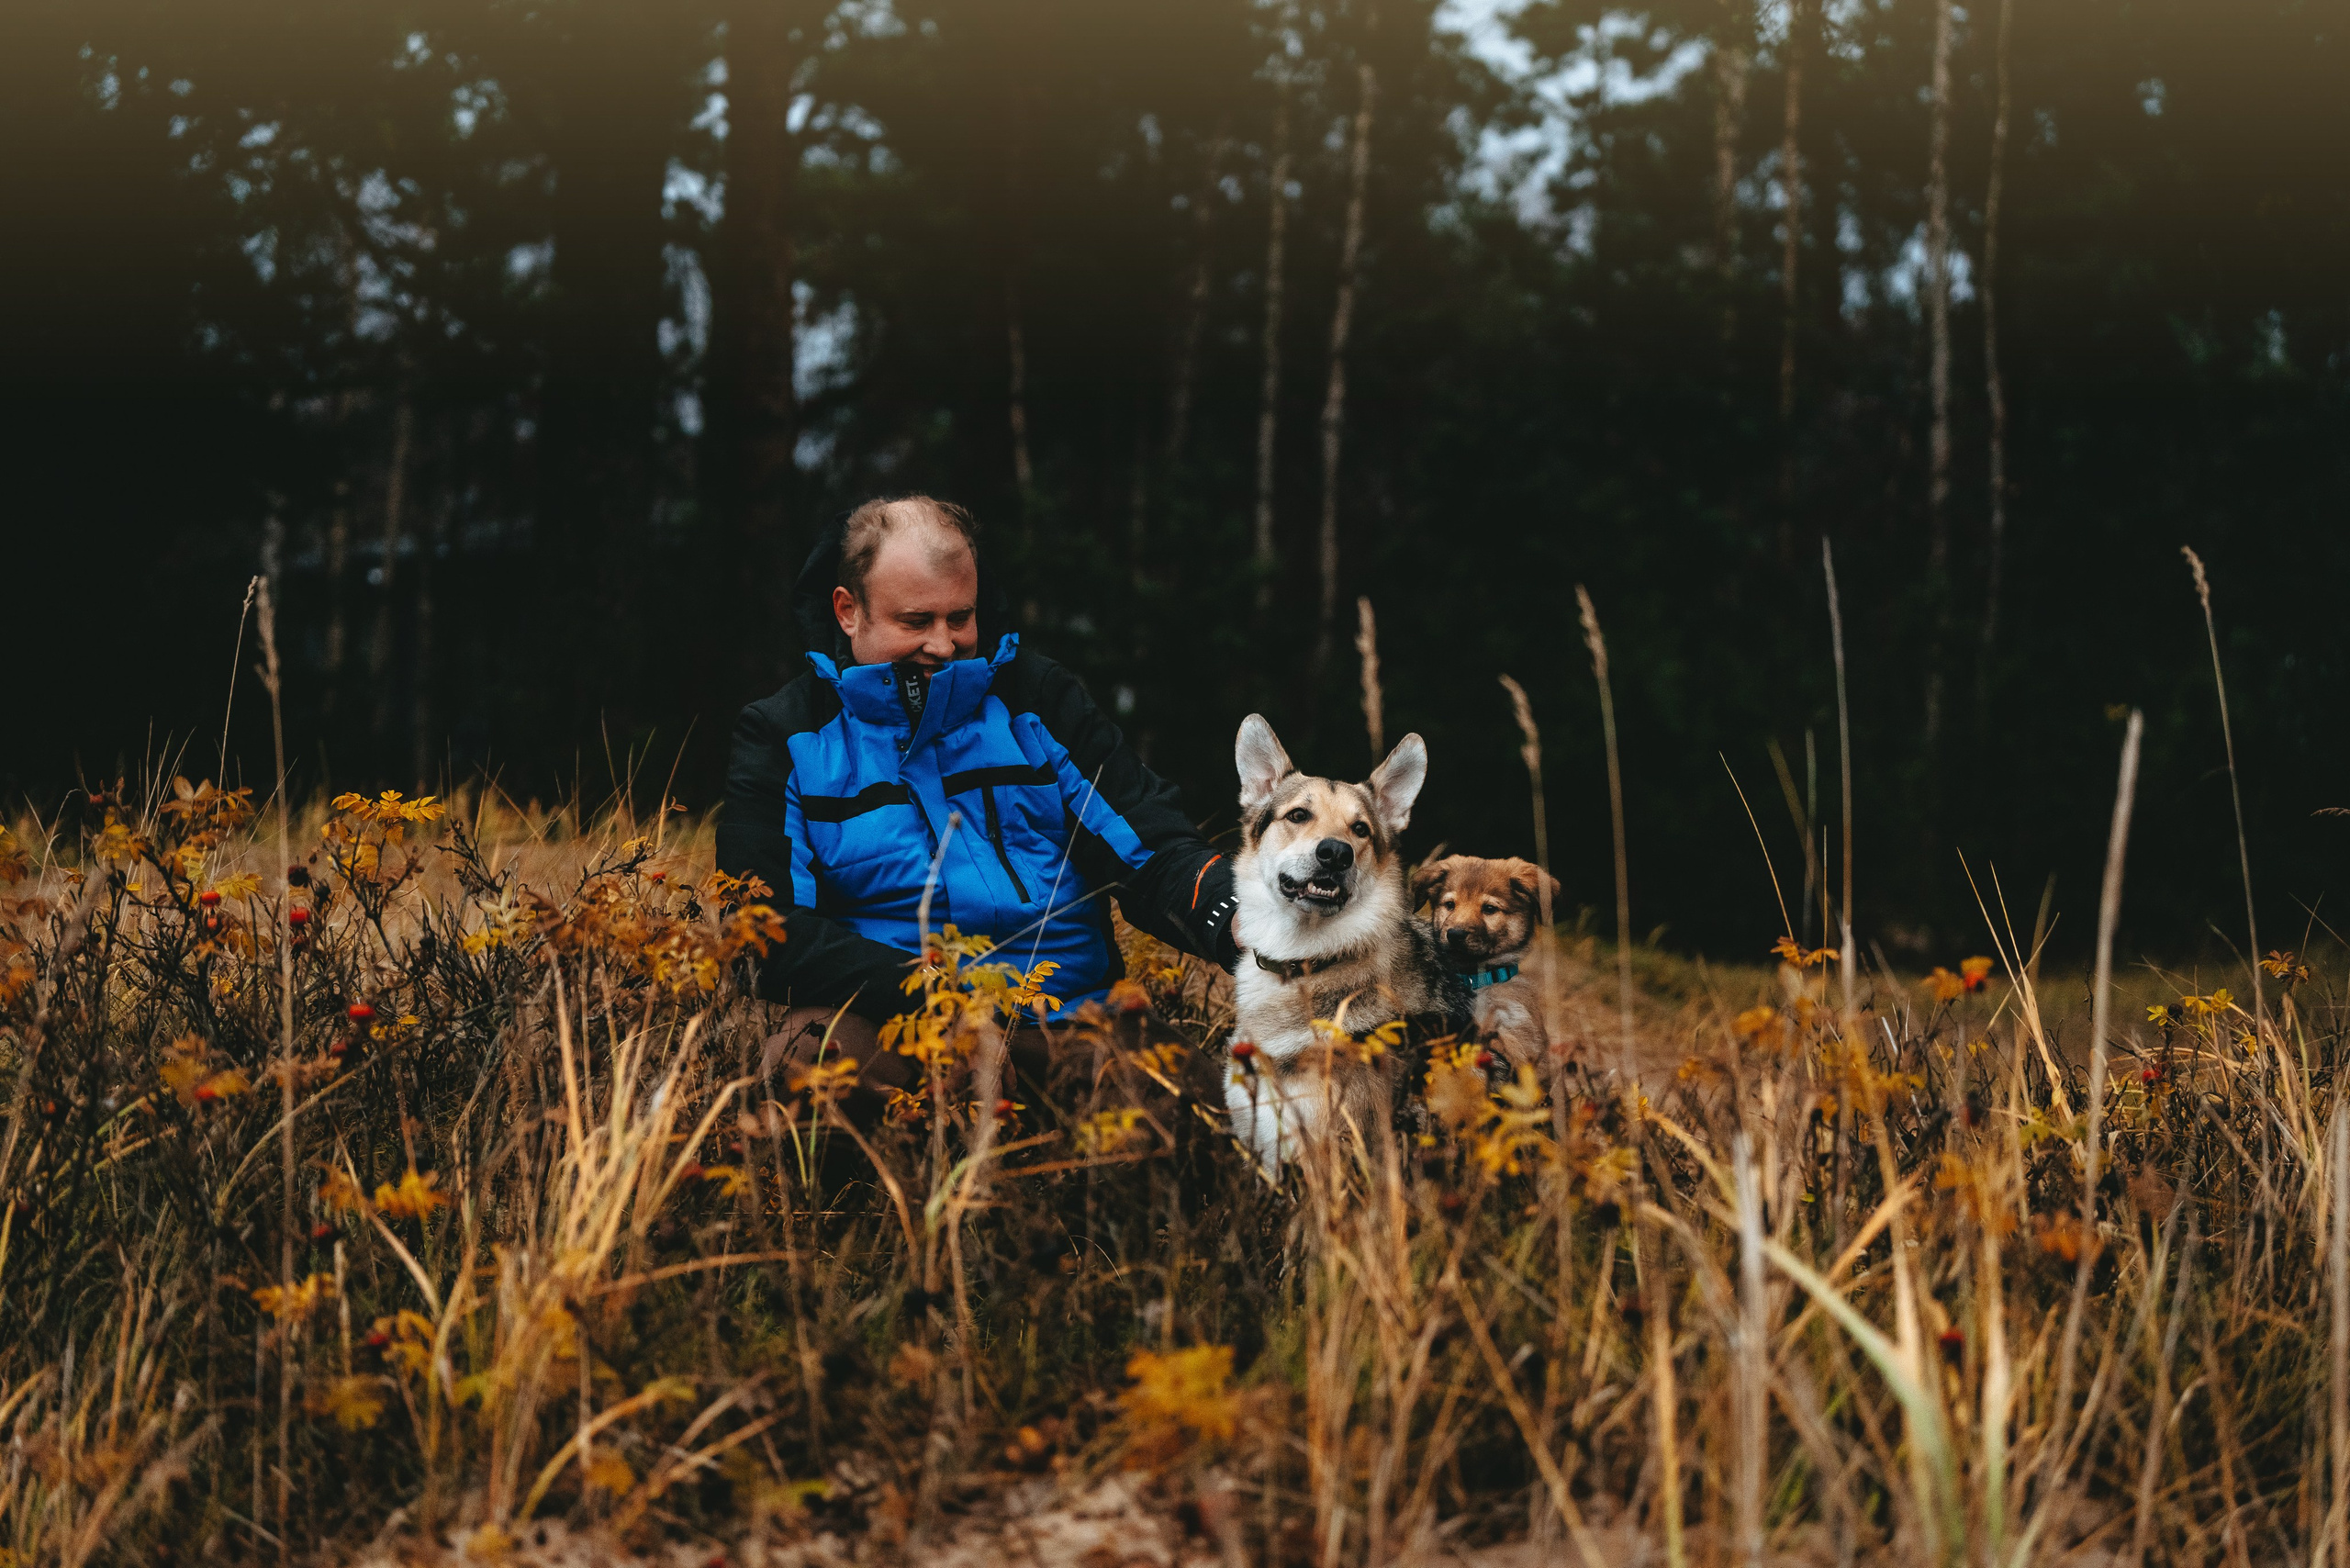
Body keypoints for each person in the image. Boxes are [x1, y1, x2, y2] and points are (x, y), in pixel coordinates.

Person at [716, 495, 1240, 1098]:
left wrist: (1235, 915)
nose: (944, 645)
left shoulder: (1038, 701)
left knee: (1195, 1117)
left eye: (960, 618)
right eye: (916, 621)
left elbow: (1153, 852)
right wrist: (937, 997)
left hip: (1071, 1020)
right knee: (810, 1064)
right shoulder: (786, 736)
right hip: (896, 1023)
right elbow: (760, 932)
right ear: (847, 611)